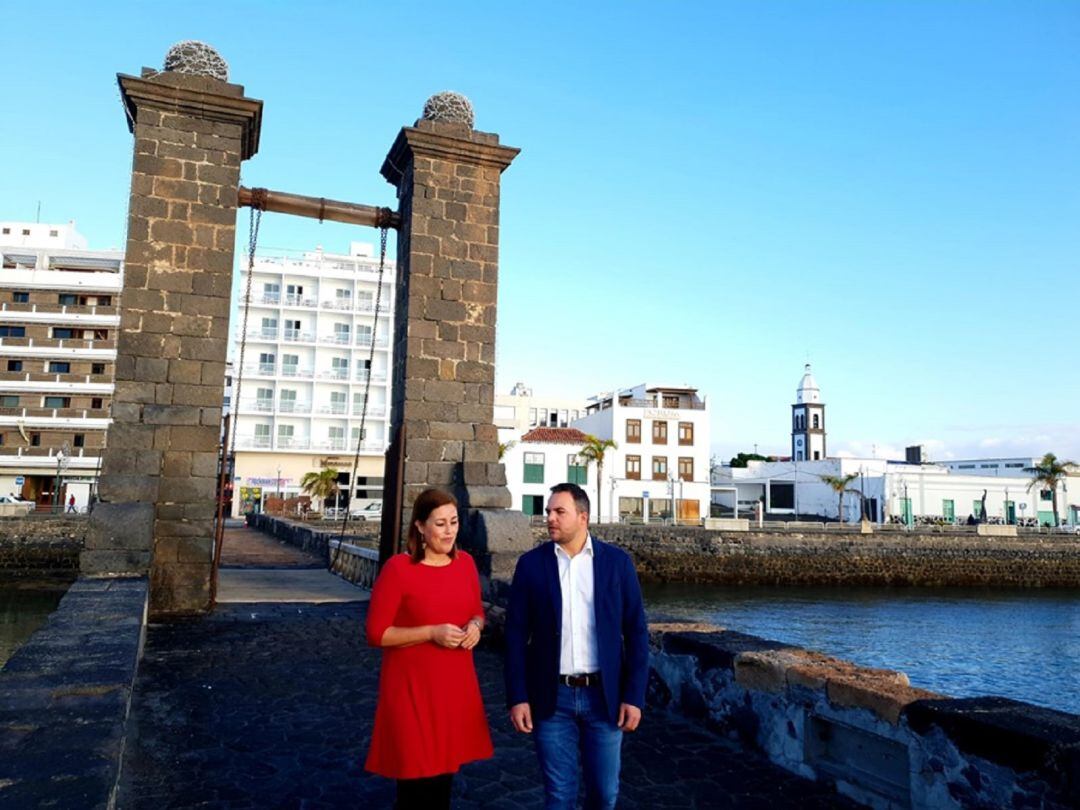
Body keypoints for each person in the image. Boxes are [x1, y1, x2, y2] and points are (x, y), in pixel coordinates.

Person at [505, 482, 649, 809]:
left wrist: (634, 695)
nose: (550, 519)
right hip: (551, 699)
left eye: (559, 512)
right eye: (548, 512)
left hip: (605, 697)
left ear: (582, 516)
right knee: (559, 796)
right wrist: (518, 697)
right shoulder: (531, 565)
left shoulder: (616, 563)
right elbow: (514, 635)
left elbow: (637, 632)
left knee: (604, 795)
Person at [365, 488, 493, 809]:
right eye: (440, 524)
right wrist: (431, 633)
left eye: (454, 522)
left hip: (453, 690)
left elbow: (477, 611)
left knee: (442, 786)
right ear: (420, 526)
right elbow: (376, 633)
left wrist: (476, 627)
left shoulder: (465, 564)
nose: (449, 531)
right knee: (415, 788)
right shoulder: (398, 569)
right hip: (412, 693)